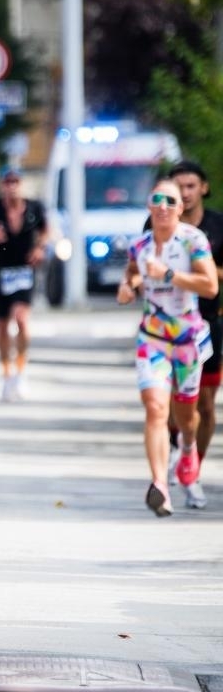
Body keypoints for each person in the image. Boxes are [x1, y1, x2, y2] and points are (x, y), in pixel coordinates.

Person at [117, 178, 217, 516]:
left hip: (187, 341)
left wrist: (170, 275)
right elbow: (132, 272)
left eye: (170, 201)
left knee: (186, 415)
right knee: (156, 409)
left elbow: (210, 286)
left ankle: (188, 449)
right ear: (148, 205)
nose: (163, 206)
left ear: (180, 208)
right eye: (157, 199)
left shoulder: (193, 241)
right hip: (153, 339)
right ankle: (160, 484)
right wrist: (128, 286)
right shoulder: (140, 246)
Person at [144, 161, 223, 509]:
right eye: (178, 188)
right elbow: (141, 269)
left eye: (191, 187)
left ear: (203, 188)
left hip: (207, 323)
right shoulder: (154, 226)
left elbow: (210, 280)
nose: (184, 195)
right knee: (166, 402)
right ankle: (176, 453)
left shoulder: (216, 226)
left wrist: (186, 271)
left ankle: (193, 468)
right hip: (164, 331)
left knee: (204, 405)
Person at [0, 166, 48, 402]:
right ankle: (6, 375)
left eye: (16, 181)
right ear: (1, 185)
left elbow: (47, 230)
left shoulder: (35, 207)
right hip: (1, 272)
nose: (12, 186)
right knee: (3, 326)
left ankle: (21, 371)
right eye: (7, 182)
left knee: (22, 320)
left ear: (22, 184)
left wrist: (39, 247)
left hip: (25, 271)